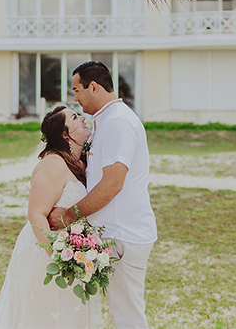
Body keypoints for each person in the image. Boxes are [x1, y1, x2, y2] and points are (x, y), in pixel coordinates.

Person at [49, 61, 157, 329]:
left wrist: (68, 214)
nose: (74, 97)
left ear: (93, 87)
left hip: (125, 234)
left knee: (128, 316)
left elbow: (112, 184)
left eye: (76, 90)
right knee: (122, 312)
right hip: (115, 232)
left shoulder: (118, 122)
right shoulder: (106, 121)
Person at [0, 105, 101, 328]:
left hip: (76, 251)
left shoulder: (82, 162)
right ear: (65, 134)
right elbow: (35, 214)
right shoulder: (53, 164)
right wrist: (58, 258)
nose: (83, 119)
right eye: (75, 117)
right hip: (47, 253)